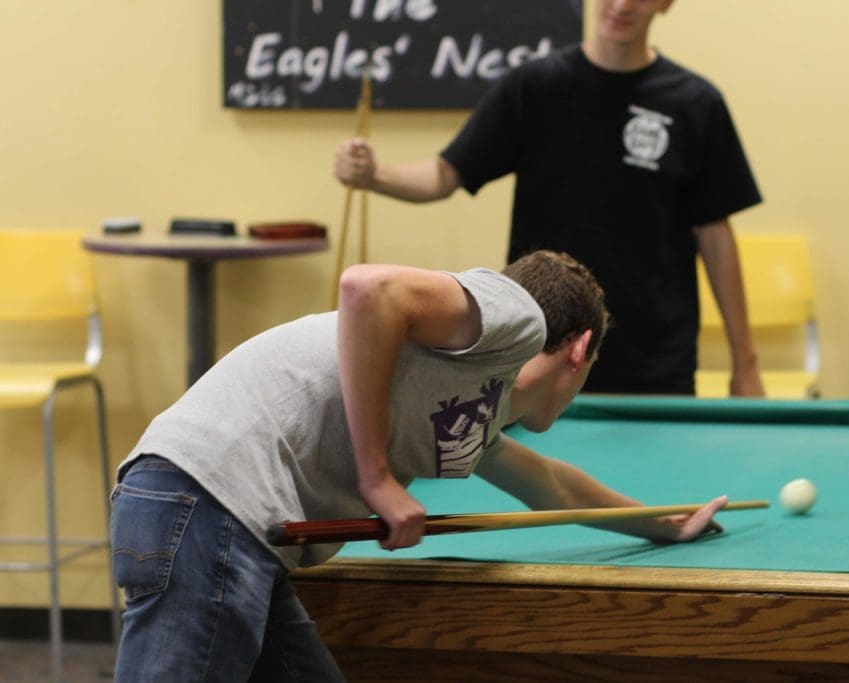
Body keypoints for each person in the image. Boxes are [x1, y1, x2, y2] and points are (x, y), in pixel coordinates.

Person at [108, 250, 728, 682]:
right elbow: (367, 288)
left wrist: (662, 524)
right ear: (581, 349)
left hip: (228, 528)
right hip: (206, 502)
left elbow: (550, 483)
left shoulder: (471, 406)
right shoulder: (518, 320)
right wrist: (376, 477)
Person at [334, 0, 765, 397]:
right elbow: (445, 175)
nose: (621, 5)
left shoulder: (695, 102)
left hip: (656, 360)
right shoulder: (535, 86)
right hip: (538, 346)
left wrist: (745, 364)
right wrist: (375, 175)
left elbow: (715, 236)